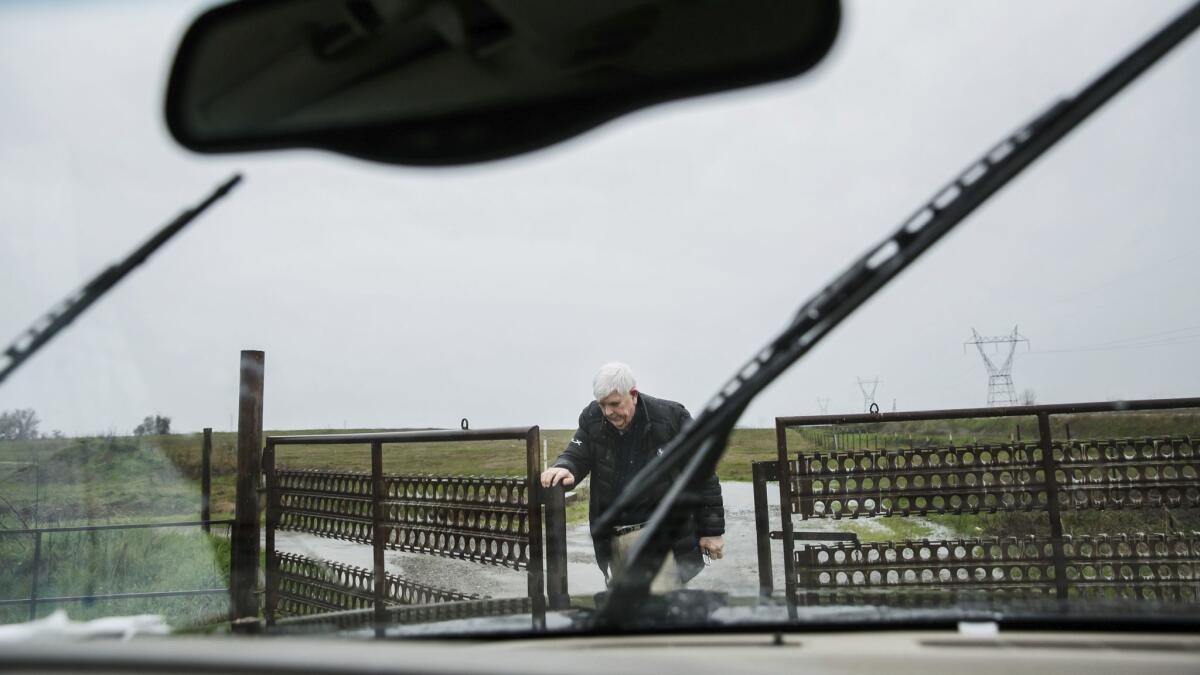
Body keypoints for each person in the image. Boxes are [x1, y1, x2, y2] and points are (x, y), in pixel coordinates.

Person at [540, 362, 725, 592]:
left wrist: (711, 530)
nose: (608, 412)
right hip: (614, 538)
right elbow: (577, 452)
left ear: (633, 395)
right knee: (626, 613)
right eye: (603, 405)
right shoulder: (592, 417)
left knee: (655, 611)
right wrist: (565, 466)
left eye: (615, 404)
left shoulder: (671, 418)